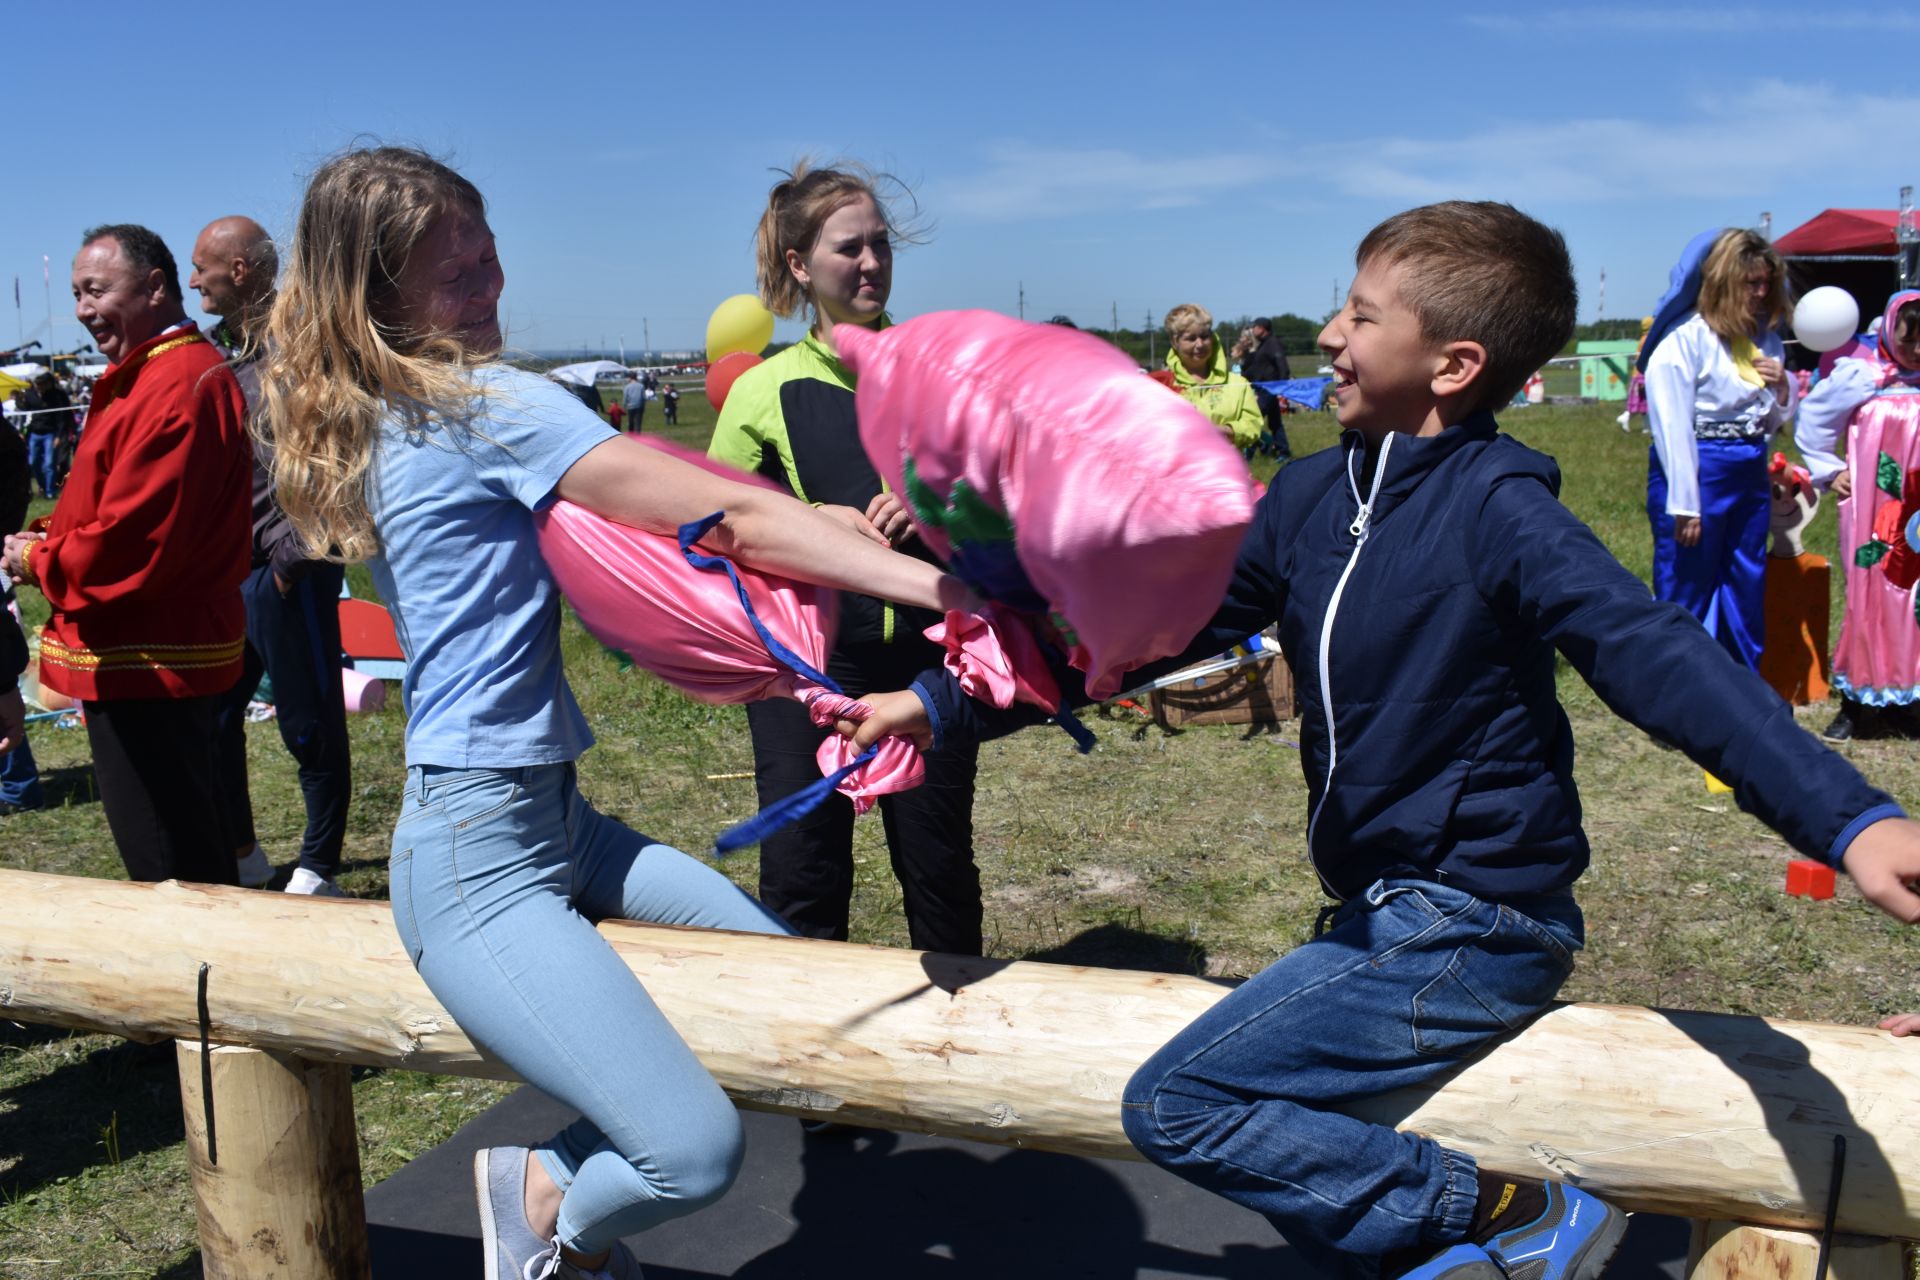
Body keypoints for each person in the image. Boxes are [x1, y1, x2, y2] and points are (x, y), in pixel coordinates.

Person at [844, 201, 1920, 1280]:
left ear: (1453, 364)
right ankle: (1461, 1251)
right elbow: (1145, 637)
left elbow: (1651, 651)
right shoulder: (1313, 495)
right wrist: (946, 702)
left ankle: (1516, 1212)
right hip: (1379, 908)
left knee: (1180, 1100)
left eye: (1361, 316)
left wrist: (1849, 819)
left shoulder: (1504, 511)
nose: (1330, 334)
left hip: (1479, 914)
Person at [259, 146, 977, 1279]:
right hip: (475, 852)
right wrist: (952, 593)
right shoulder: (482, 402)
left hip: (552, 819)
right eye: (459, 278)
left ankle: (551, 1188)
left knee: (781, 991)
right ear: (381, 296)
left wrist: (832, 543)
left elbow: (676, 535)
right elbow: (725, 518)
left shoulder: (396, 408)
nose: (490, 292)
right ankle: (551, 1216)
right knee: (693, 1150)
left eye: (492, 260)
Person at [708, 160, 988, 958]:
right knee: (804, 880)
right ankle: (794, 1070)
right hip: (804, 673)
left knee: (938, 874)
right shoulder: (765, 391)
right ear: (800, 266)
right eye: (847, 249)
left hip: (927, 667)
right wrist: (808, 519)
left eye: (880, 244)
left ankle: (954, 1058)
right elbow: (706, 528)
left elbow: (1007, 505)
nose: (871, 264)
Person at [1, 224, 252, 885]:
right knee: (176, 840)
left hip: (151, 659)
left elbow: (134, 539)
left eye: (97, 290)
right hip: (146, 653)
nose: (84, 309)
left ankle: (197, 982)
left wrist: (38, 562)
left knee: (170, 865)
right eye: (79, 293)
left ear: (155, 288)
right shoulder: (157, 374)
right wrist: (53, 534)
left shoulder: (175, 382)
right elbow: (113, 505)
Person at [192, 214, 355, 895]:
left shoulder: (303, 349)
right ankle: (244, 851)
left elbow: (342, 450)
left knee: (308, 721)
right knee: (217, 719)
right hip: (231, 574)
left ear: (240, 271)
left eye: (201, 264)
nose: (190, 278)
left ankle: (319, 865)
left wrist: (293, 559)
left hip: (289, 569)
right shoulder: (214, 355)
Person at [1642, 228, 1797, 673]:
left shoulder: (1763, 339)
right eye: (1752, 283)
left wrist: (1782, 387)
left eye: (1768, 282)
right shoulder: (1682, 340)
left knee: (1747, 577)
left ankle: (1742, 685)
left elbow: (1771, 423)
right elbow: (1671, 427)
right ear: (1725, 282)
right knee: (1686, 584)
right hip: (1698, 473)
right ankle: (1679, 695)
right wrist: (1685, 506)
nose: (1762, 292)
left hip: (1748, 468)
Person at [1794, 290, 1920, 742]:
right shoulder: (1860, 375)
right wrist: (1830, 470)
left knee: (1914, 598)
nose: (1917, 352)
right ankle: (1858, 702)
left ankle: (1907, 700)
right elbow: (1812, 420)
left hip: (1917, 508)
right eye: (1909, 342)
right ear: (1889, 330)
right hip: (1874, 506)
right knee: (1870, 594)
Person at [1161, 303, 1264, 451]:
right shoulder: (1161, 386)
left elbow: (1253, 424)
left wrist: (1227, 431)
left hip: (1226, 470)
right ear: (1174, 342)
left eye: (1204, 336)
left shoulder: (1237, 383)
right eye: (1191, 338)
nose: (1200, 344)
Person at [1238, 315, 1294, 460]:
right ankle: (1283, 452)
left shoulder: (1273, 343)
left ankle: (1249, 454)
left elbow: (1282, 364)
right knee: (1275, 423)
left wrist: (1282, 385)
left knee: (1254, 420)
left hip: (1269, 389)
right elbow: (1257, 367)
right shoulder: (1262, 345)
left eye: (1255, 327)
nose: (1253, 329)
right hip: (1262, 388)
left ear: (1262, 329)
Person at [19, 371, 73, 499]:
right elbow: (25, 412)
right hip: (34, 433)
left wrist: (59, 436)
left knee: (49, 464)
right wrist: (19, 400)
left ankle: (50, 491)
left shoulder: (56, 396)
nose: (40, 386)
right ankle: (43, 485)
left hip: (50, 434)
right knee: (33, 462)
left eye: (43, 384)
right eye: (38, 384)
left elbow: (61, 417)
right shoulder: (30, 395)